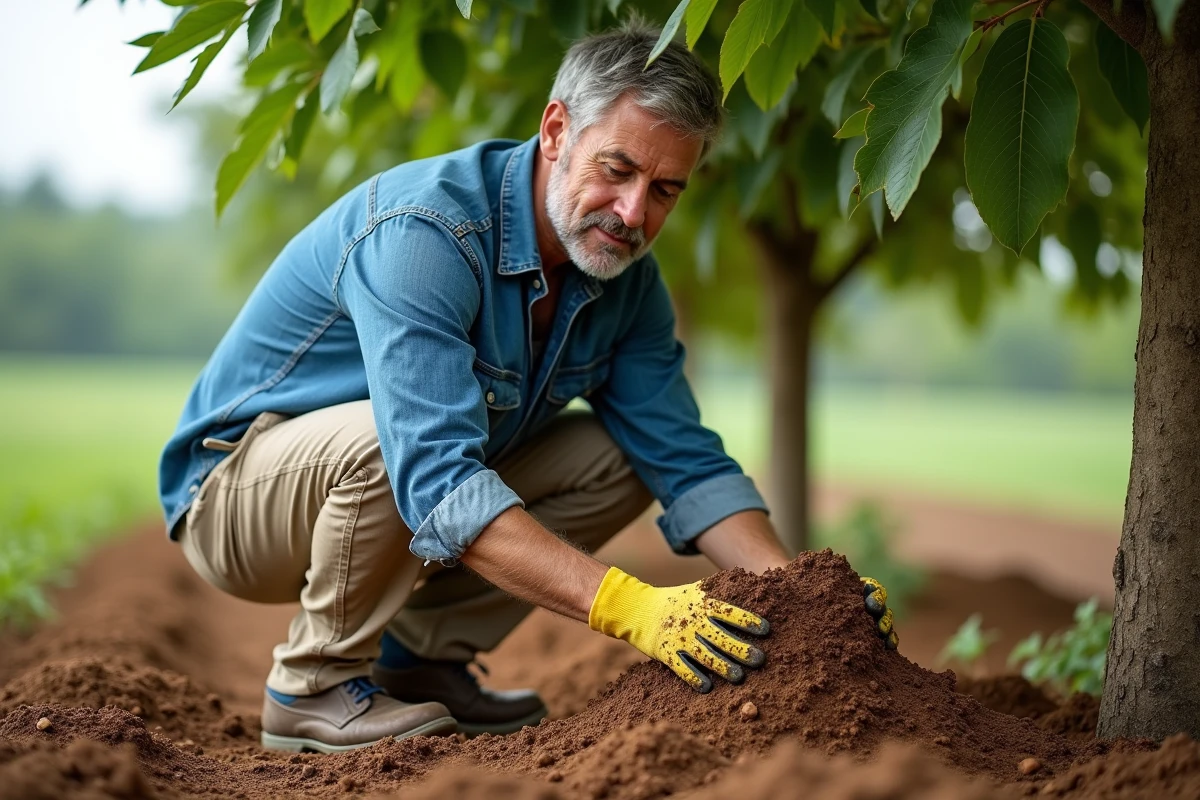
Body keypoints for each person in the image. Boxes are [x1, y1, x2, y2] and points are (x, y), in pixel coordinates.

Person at [159, 19, 898, 755]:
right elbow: (437, 480)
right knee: (393, 445)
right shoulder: (426, 234)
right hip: (234, 497)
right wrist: (627, 605)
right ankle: (311, 686)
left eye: (665, 189)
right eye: (617, 169)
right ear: (555, 131)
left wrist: (806, 595)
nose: (635, 213)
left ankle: (419, 662)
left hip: (380, 494)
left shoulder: (627, 283)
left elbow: (685, 459)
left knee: (617, 455)